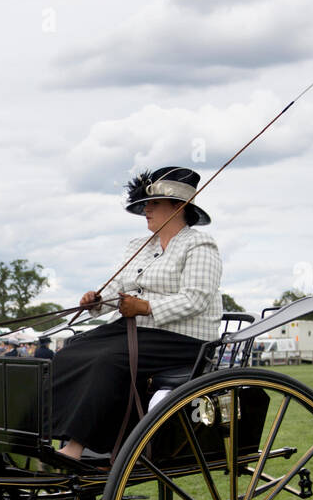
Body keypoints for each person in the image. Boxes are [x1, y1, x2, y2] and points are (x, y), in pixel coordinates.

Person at [52, 166, 222, 461]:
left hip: (182, 339)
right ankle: (59, 436)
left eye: (153, 203)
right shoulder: (138, 246)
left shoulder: (200, 245)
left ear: (178, 207)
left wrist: (145, 307)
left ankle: (77, 448)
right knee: (72, 349)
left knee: (107, 359)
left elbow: (196, 299)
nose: (146, 209)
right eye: (145, 204)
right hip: (136, 332)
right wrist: (97, 302)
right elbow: (118, 289)